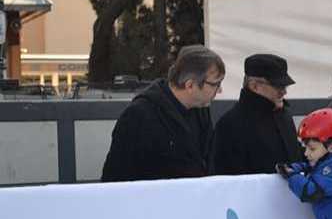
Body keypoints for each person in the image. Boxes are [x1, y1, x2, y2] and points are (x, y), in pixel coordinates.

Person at [102, 45, 224, 181]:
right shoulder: (139, 115)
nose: (219, 91)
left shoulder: (201, 109)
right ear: (190, 85)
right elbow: (115, 176)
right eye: (215, 84)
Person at [211, 53, 304, 175]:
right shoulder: (230, 125)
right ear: (254, 86)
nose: (284, 92)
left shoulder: (284, 115)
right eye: (277, 86)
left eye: (284, 86)